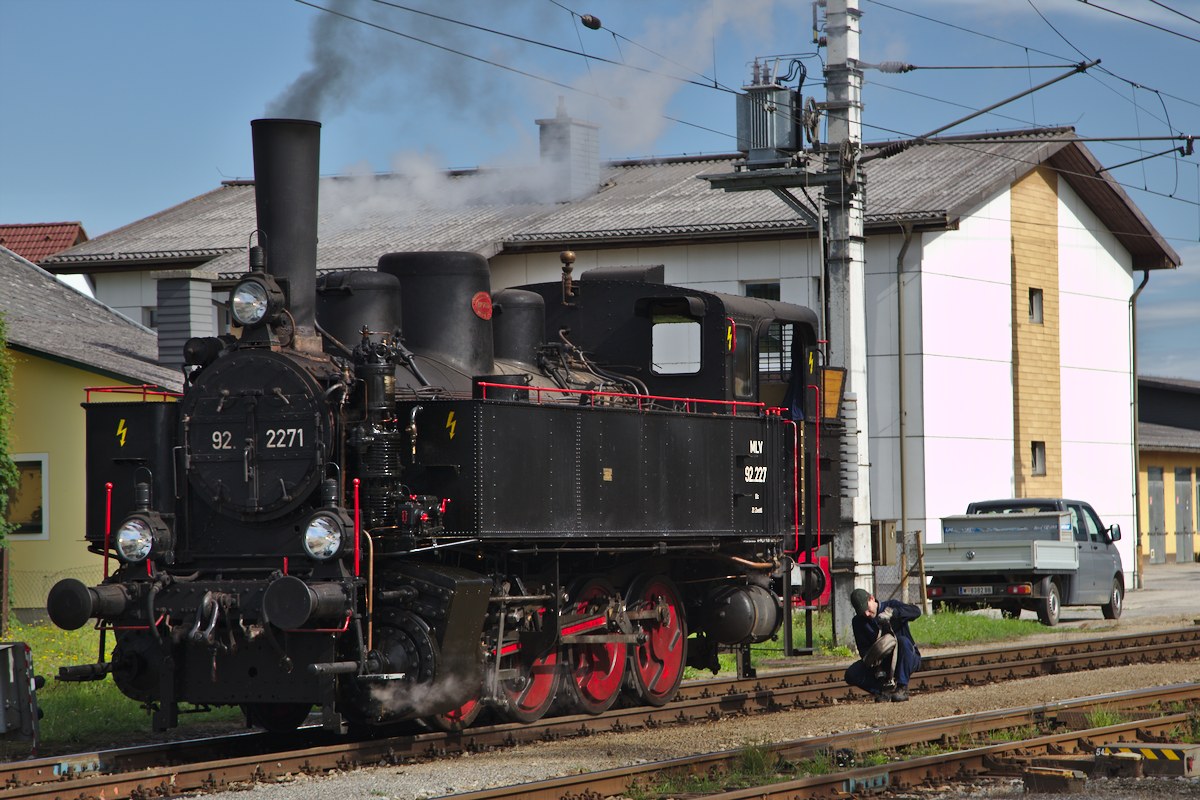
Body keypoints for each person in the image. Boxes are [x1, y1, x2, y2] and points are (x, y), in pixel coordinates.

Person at [844, 588, 923, 702]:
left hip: (907, 657)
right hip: (882, 663)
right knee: (852, 674)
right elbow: (863, 650)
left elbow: (916, 612)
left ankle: (902, 688)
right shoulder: (858, 622)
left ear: (871, 598)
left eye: (867, 609)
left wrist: (894, 613)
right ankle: (882, 690)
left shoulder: (892, 605)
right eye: (862, 612)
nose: (866, 614)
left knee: (902, 641)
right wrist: (874, 657)